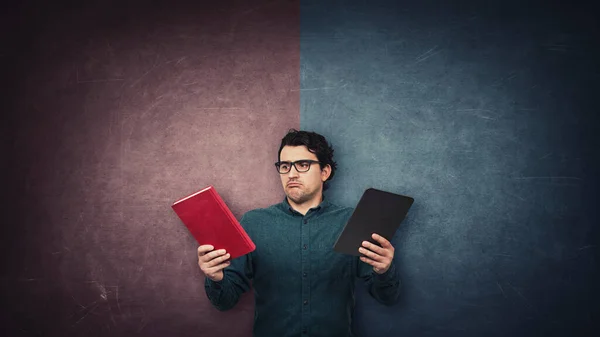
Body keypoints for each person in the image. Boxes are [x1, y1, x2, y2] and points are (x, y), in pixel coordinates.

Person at [198, 129, 401, 337]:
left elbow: (386, 297)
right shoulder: (253, 223)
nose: (292, 174)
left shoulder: (352, 222)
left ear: (325, 172)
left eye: (303, 165)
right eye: (285, 166)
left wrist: (384, 270)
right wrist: (215, 278)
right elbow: (224, 301)